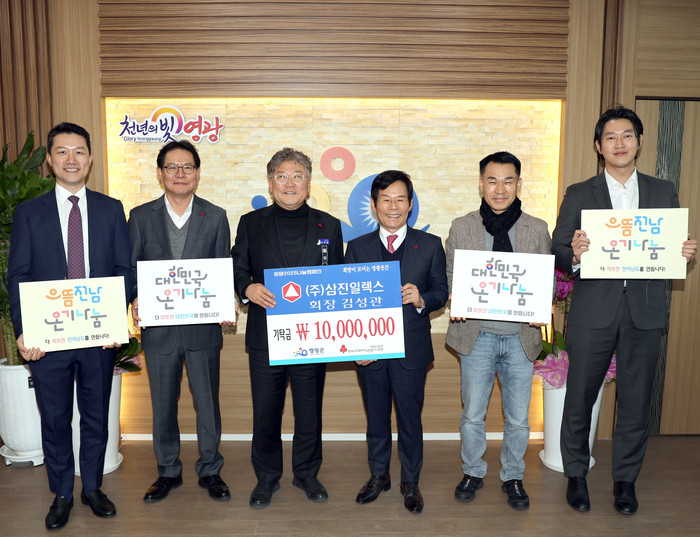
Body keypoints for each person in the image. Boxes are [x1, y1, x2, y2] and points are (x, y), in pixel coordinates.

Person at [552, 105, 697, 515]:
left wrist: (683, 253)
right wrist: (574, 253)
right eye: (611, 137)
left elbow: (670, 247)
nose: (620, 143)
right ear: (599, 146)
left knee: (636, 401)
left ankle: (625, 482)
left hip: (644, 312)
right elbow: (557, 247)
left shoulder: (662, 190)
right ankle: (576, 475)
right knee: (579, 398)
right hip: (592, 312)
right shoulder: (580, 192)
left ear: (639, 141)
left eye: (627, 135)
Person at [7, 122, 134, 530]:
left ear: (90, 158)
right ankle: (61, 493)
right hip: (49, 340)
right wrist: (25, 331)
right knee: (55, 419)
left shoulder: (111, 209)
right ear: (49, 160)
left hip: (98, 337)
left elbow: (124, 270)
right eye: (62, 152)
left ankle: (92, 487)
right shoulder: (30, 213)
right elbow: (18, 276)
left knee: (96, 417)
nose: (71, 159)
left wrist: (115, 322)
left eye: (79, 151)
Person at [231, 147, 343, 508]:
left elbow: (338, 279)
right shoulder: (251, 223)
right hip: (266, 336)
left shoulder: (330, 225)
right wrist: (247, 288)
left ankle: (307, 473)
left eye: (297, 176)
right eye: (281, 176)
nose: (289, 183)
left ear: (308, 183)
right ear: (270, 183)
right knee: (266, 411)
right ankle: (267, 477)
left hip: (312, 335)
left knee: (309, 411)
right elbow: (237, 266)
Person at [129, 140, 235, 503]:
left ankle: (210, 470)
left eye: (187, 167)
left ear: (198, 173)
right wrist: (135, 297)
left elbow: (223, 269)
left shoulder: (215, 216)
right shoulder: (140, 217)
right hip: (159, 332)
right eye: (172, 167)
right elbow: (132, 269)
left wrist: (226, 299)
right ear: (160, 173)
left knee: (207, 404)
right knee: (163, 406)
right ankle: (168, 472)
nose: (180, 174)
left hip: (202, 330)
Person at [445, 151, 551, 511]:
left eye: (508, 181)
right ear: (481, 184)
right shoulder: (462, 226)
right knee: (473, 414)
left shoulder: (537, 228)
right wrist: (456, 295)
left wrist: (541, 304)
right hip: (476, 337)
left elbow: (546, 280)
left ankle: (513, 475)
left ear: (519, 184)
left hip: (521, 338)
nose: (500, 189)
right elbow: (450, 274)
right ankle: (473, 471)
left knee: (519, 418)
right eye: (492, 181)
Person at [345, 170, 448, 514]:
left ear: (410, 204)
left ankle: (410, 482)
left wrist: (421, 299)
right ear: (374, 205)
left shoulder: (430, 244)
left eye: (400, 199)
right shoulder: (357, 247)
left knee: (410, 420)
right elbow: (346, 303)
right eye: (386, 200)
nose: (393, 207)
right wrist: (356, 347)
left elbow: (441, 292)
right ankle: (379, 476)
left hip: (411, 351)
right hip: (370, 351)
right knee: (376, 419)